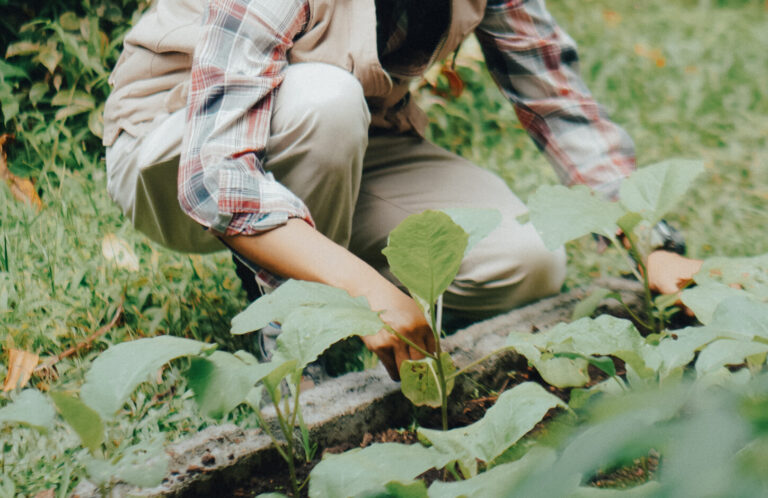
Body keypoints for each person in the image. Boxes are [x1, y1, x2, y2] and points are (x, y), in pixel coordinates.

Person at [103, 0, 702, 380]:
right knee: (325, 99)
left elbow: (559, 102)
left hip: (344, 138)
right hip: (176, 145)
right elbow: (214, 180)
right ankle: (288, 334)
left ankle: (304, 252)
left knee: (527, 260)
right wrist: (364, 292)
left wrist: (651, 242)